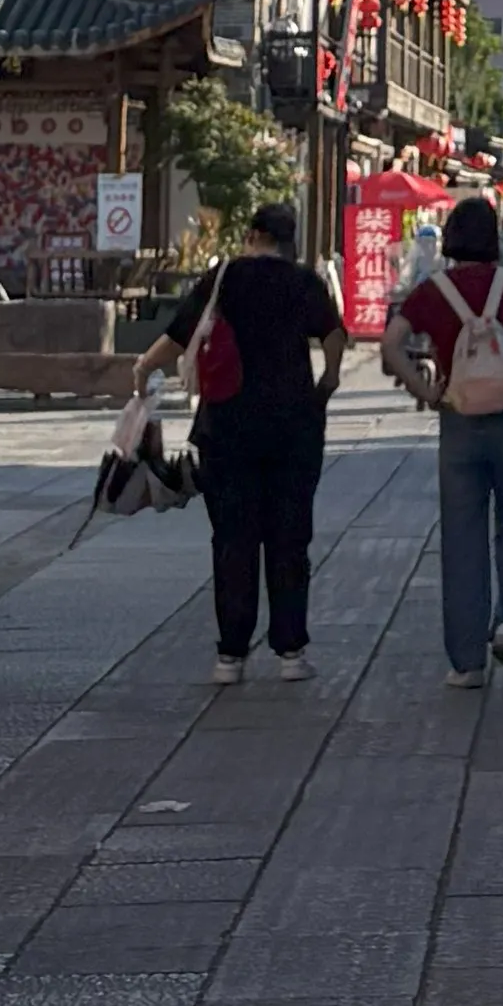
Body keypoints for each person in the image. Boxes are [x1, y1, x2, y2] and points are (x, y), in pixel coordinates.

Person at [388, 194, 503, 683]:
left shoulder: (433, 291)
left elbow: (390, 344)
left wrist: (424, 388)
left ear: (450, 238)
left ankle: (466, 662)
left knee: (462, 537)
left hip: (459, 420)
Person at [168, 200, 344, 686]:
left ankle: (230, 656)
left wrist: (142, 368)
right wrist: (328, 380)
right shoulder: (304, 281)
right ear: (289, 241)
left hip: (226, 427)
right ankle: (290, 653)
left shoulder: (224, 277)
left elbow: (178, 333)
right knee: (289, 538)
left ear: (251, 234)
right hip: (292, 426)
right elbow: (333, 332)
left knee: (232, 540)